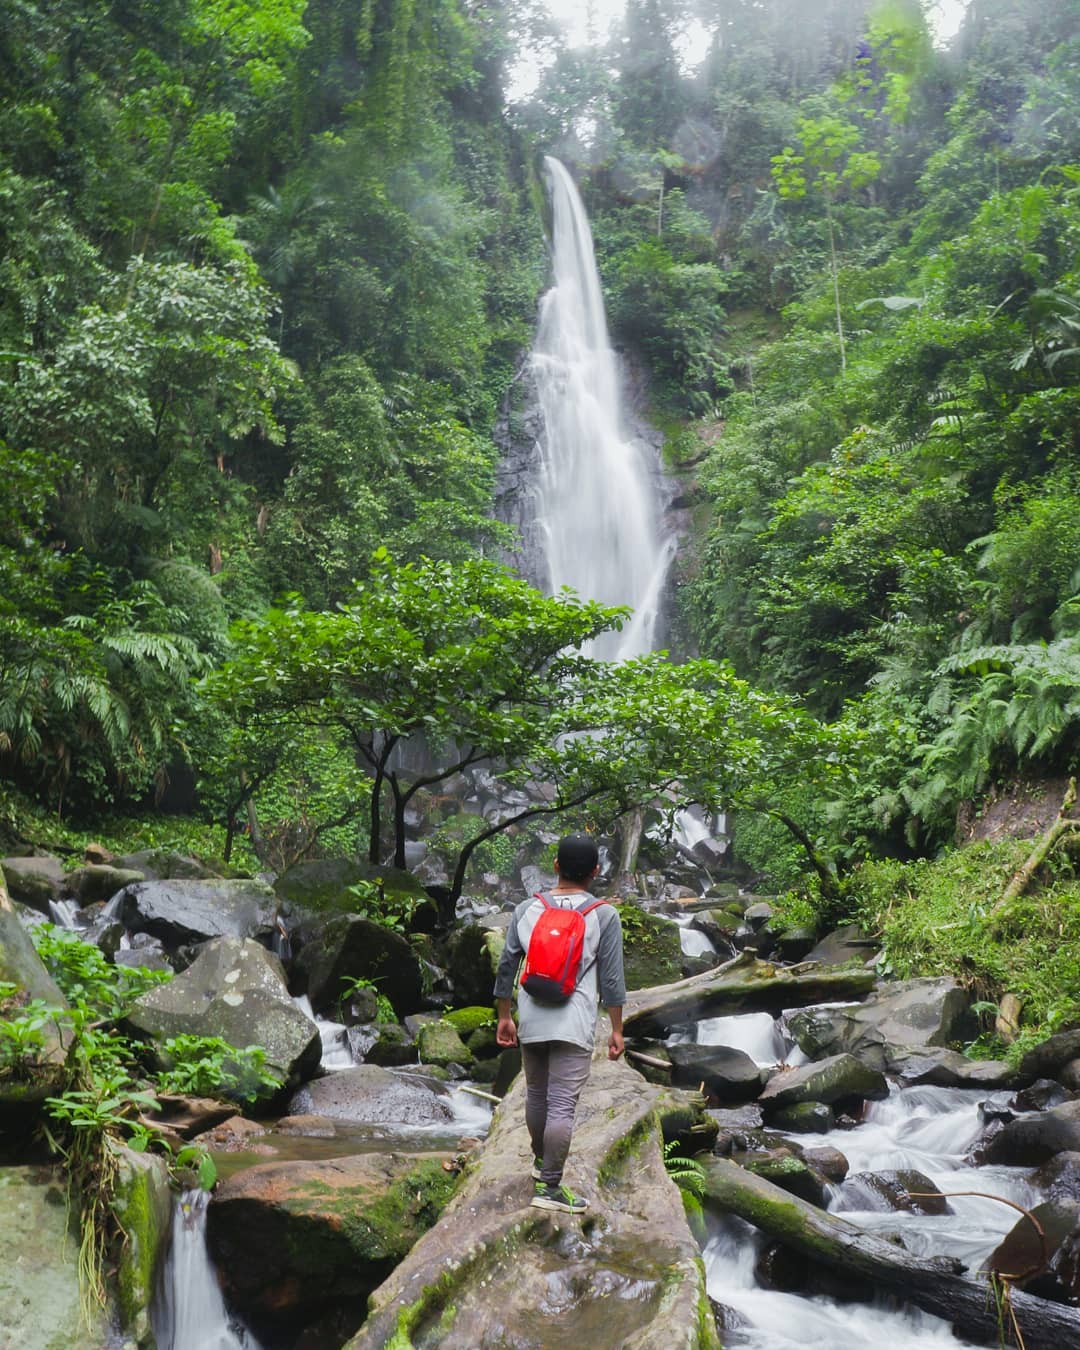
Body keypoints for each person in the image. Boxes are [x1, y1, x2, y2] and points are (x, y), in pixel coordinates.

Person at [494, 832, 625, 1215]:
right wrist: (617, 1029)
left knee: (537, 1096)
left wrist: (504, 1015)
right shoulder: (603, 914)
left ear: (555, 867)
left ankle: (541, 1164)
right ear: (596, 872)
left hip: (532, 1016)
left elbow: (507, 967)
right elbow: (612, 980)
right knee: (562, 1105)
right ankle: (550, 1187)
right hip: (574, 1020)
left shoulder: (526, 909)